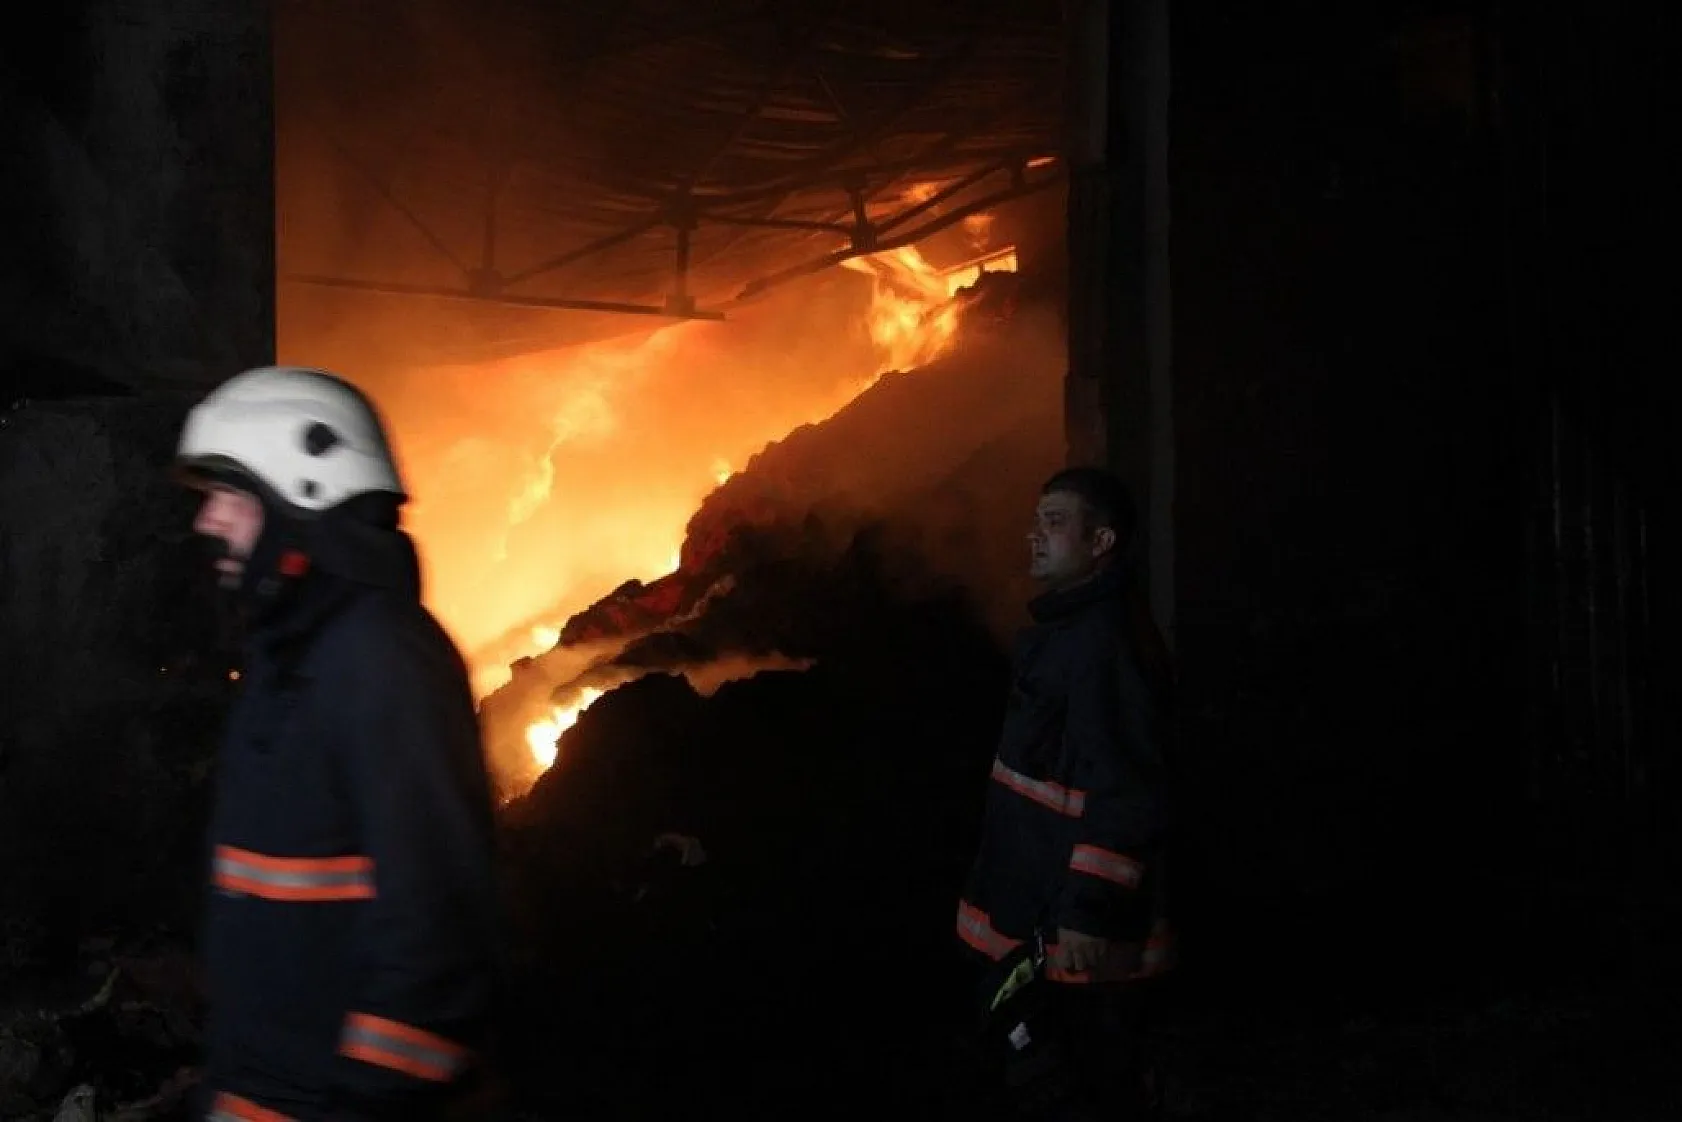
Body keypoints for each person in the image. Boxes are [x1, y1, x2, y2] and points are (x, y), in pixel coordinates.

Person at [175, 366, 502, 1121]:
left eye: (231, 496)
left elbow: (439, 933)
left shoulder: (379, 654)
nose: (207, 522)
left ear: (305, 495)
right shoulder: (291, 653)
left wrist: (364, 1105)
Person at [955, 466, 1174, 1120]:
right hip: (1033, 905)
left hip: (1074, 931)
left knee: (1080, 1087)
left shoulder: (1103, 646)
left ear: (1101, 541)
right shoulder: (1065, 633)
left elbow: (1127, 790)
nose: (1034, 537)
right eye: (1035, 521)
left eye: (1055, 523)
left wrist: (1088, 910)